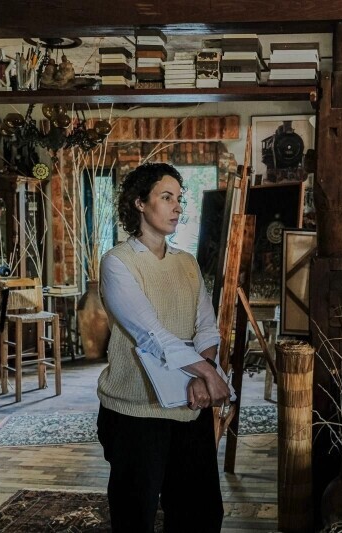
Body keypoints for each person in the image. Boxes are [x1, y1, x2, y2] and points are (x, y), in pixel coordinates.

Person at [96, 162, 231, 532]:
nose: (177, 207)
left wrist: (203, 375)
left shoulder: (187, 263)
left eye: (179, 199)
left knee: (200, 513)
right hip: (136, 410)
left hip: (189, 406)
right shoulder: (118, 263)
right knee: (135, 515)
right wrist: (206, 373)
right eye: (166, 197)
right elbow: (150, 334)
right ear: (140, 203)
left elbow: (205, 326)